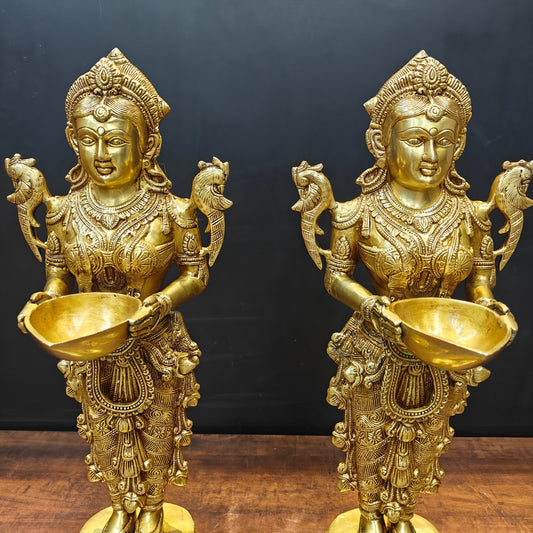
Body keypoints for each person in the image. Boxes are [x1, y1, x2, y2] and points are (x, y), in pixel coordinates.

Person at [293, 51, 519, 533]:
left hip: (443, 349)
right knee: (371, 437)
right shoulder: (358, 213)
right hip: (376, 348)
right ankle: (370, 515)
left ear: (459, 144)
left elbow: (481, 280)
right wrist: (370, 304)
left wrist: (489, 305)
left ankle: (405, 514)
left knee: (426, 439)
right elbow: (336, 276)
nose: (430, 155)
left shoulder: (472, 217)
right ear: (382, 142)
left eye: (443, 141)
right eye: (416, 140)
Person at [11, 49, 230, 533]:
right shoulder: (63, 212)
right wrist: (46, 297)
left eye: (114, 140)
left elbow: (196, 273)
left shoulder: (172, 211)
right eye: (89, 140)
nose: (102, 155)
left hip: (155, 342)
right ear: (73, 140)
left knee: (157, 427)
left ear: (147, 145)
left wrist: (163, 301)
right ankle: (119, 505)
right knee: (102, 428)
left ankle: (151, 508)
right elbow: (57, 274)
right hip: (90, 342)